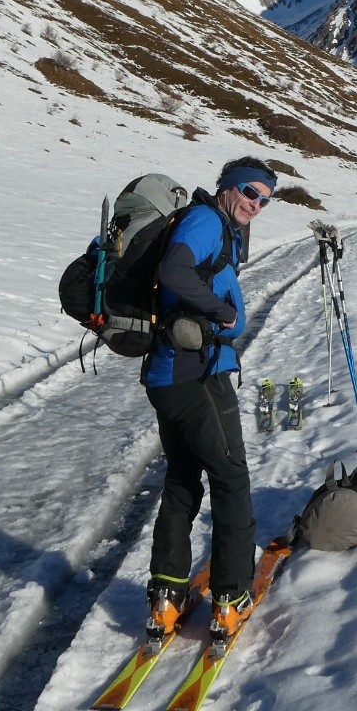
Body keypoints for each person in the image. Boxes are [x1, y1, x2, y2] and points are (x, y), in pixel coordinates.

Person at [144, 156, 276, 644]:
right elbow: (175, 270)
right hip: (197, 376)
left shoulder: (216, 223)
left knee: (182, 478)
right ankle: (230, 597)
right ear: (227, 187)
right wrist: (221, 310)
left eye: (265, 198)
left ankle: (167, 597)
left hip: (170, 375)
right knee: (230, 478)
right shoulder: (204, 221)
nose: (256, 204)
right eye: (249, 192)